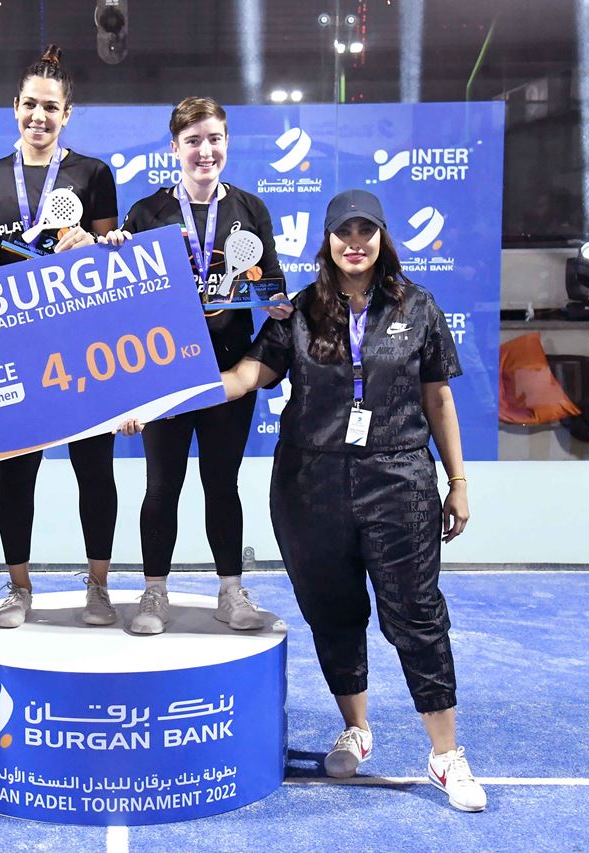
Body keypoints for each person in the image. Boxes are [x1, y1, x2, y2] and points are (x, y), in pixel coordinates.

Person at [220, 189, 486, 812]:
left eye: (367, 230)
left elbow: (439, 400)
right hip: (309, 486)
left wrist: (459, 483)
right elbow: (247, 376)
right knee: (333, 612)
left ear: (383, 238)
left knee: (416, 616)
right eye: (345, 231)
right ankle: (357, 729)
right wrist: (165, 390)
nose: (355, 241)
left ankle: (446, 756)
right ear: (328, 240)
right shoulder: (301, 310)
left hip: (399, 480)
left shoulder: (418, 307)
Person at [103, 96, 292, 635]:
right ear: (175, 148)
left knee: (221, 483)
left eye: (214, 139)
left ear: (226, 143)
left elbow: (267, 280)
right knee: (161, 485)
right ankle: (154, 592)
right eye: (193, 141)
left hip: (231, 375)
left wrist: (273, 301)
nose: (204, 151)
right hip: (166, 370)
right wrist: (115, 250)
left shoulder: (251, 209)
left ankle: (230, 591)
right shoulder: (147, 212)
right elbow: (124, 303)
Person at [0, 44, 121, 628]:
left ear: (68, 113)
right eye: (30, 104)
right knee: (18, 471)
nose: (39, 116)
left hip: (83, 348)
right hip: (16, 349)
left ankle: (99, 586)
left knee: (94, 470)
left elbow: (112, 264)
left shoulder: (93, 174)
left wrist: (90, 241)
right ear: (14, 108)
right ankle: (18, 587)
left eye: (50, 107)